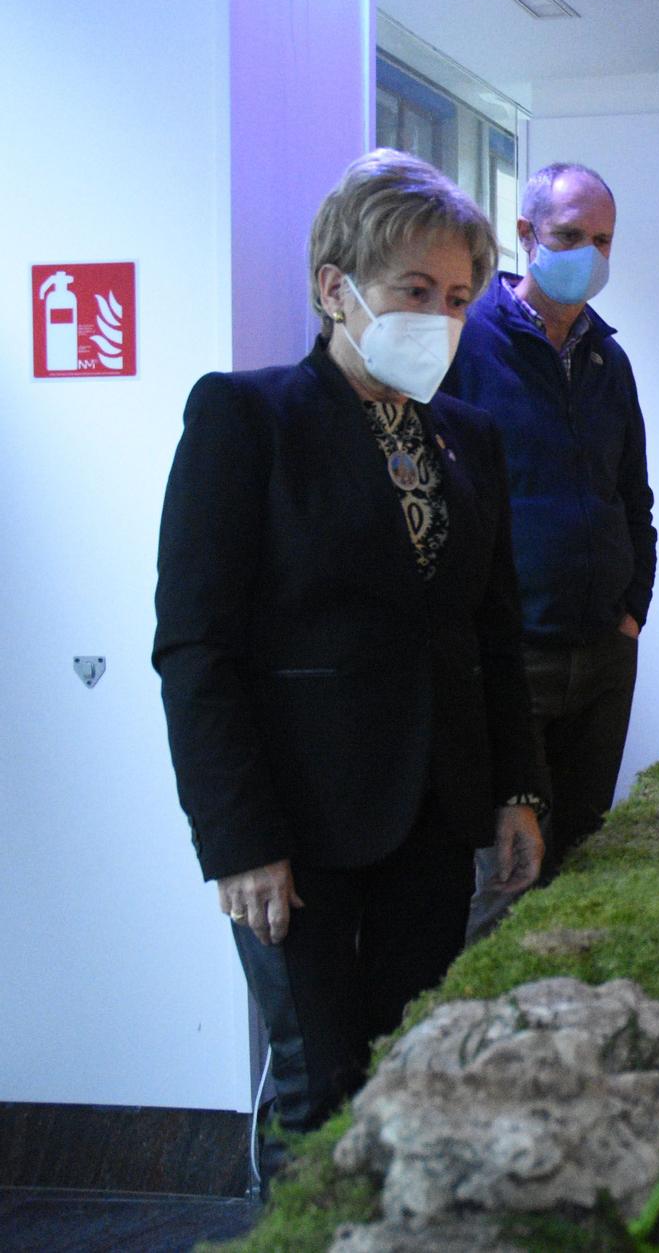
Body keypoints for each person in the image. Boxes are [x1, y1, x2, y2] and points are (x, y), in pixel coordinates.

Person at [154, 149, 544, 1132]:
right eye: (414, 290)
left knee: (410, 1071)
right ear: (336, 287)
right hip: (294, 826)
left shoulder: (469, 437)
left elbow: (491, 630)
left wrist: (519, 789)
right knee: (320, 1087)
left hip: (430, 809)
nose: (441, 319)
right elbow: (197, 647)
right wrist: (238, 839)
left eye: (458, 297)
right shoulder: (246, 419)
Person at [441, 161, 656, 937]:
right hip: (511, 662)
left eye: (603, 240)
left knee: (582, 862)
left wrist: (632, 613)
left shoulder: (609, 360)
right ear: (526, 235)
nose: (588, 255)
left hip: (603, 654)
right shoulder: (469, 344)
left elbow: (634, 499)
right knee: (507, 875)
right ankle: (486, 1045)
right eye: (569, 237)